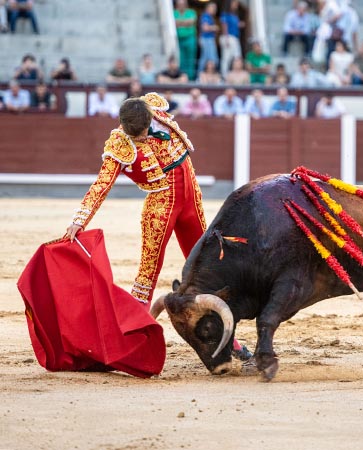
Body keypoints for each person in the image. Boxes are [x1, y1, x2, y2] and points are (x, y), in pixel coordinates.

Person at [65, 92, 253, 362]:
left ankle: (231, 343)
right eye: (136, 136)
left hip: (190, 199)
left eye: (141, 133)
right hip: (161, 208)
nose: (140, 139)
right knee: (147, 277)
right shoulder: (120, 144)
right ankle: (130, 343)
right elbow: (101, 186)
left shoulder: (156, 110)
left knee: (208, 271)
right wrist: (79, 221)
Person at [173, 0, 197, 80]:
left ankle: (191, 78)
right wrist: (185, 23)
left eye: (183, 4)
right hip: (179, 39)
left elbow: (191, 22)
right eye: (179, 4)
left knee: (190, 59)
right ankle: (183, 77)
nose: (181, 6)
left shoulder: (191, 12)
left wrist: (179, 23)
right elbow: (174, 23)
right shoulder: (174, 13)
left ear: (186, 5)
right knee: (181, 59)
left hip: (190, 38)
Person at [219, 0, 244, 76]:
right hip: (228, 37)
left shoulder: (235, 15)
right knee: (226, 58)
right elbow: (224, 26)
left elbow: (235, 25)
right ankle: (224, 75)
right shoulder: (225, 14)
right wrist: (226, 38)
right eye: (234, 3)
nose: (236, 5)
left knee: (237, 57)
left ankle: (236, 75)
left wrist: (240, 24)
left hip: (235, 38)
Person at [198, 2, 219, 79]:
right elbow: (205, 28)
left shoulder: (209, 17)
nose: (215, 10)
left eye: (215, 8)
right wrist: (214, 28)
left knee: (207, 58)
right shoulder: (206, 16)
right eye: (213, 8)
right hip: (207, 40)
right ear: (208, 8)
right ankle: (200, 76)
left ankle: (206, 76)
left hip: (208, 39)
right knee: (209, 59)